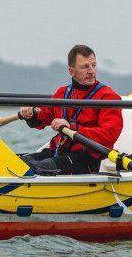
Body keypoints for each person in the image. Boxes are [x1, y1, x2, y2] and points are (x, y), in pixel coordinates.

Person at [18, 44, 123, 175]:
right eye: (85, 67)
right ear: (71, 71)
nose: (92, 71)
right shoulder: (62, 93)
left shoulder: (108, 96)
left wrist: (73, 127)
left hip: (85, 160)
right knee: (17, 163)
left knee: (32, 169)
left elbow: (109, 135)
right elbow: (42, 118)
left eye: (93, 65)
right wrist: (31, 114)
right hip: (58, 151)